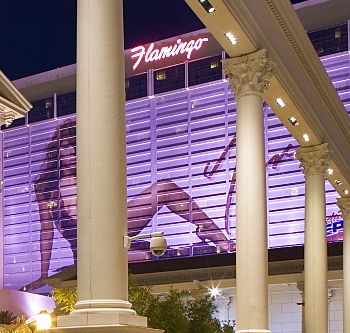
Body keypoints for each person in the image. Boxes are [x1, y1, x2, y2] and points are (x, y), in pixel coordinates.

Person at [33, 119, 229, 281]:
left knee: (164, 188)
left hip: (111, 230)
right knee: (143, 257)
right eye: (66, 147)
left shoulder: (92, 176)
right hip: (90, 248)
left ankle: (220, 238)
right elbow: (46, 231)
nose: (71, 153)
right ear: (58, 149)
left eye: (76, 147)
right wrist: (43, 275)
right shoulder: (45, 187)